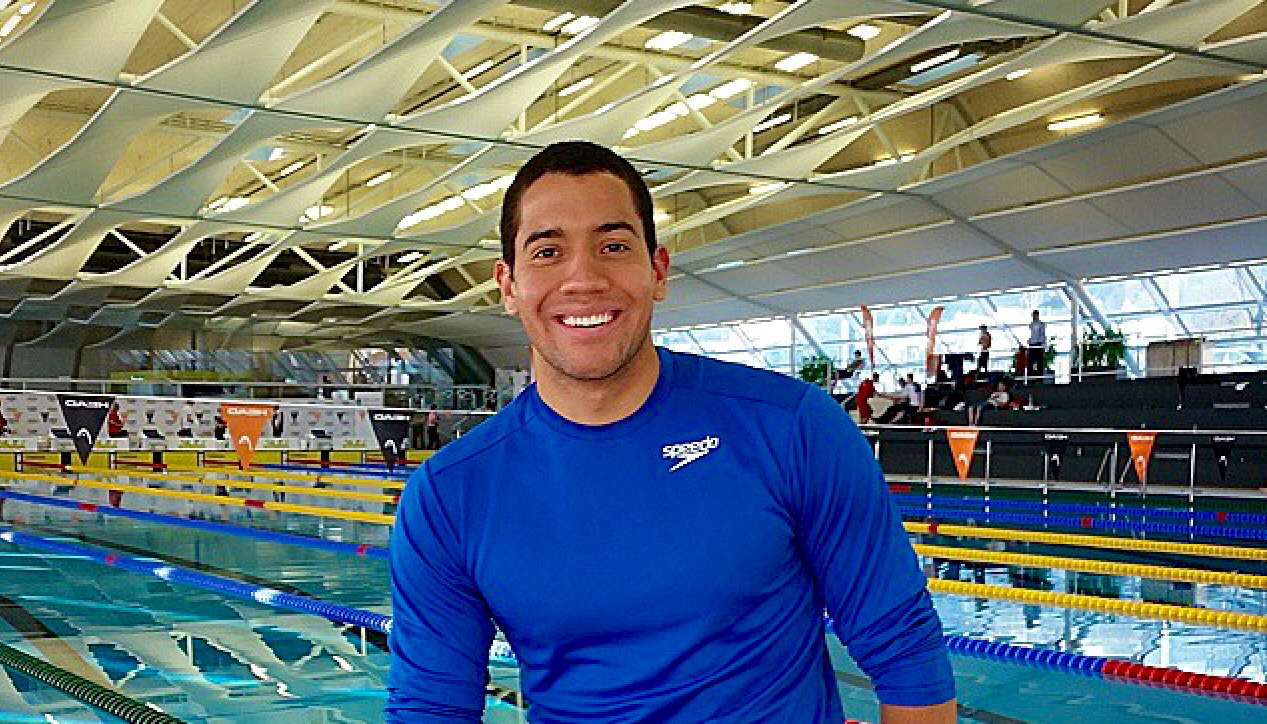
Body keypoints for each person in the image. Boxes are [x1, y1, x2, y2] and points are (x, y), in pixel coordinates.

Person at [387, 141, 955, 723]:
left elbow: (905, 650)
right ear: (508, 286)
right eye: (548, 251)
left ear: (657, 271)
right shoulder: (449, 496)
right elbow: (430, 708)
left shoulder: (791, 428)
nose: (583, 278)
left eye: (613, 246)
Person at [1027, 310, 1047, 379]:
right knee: (1031, 360)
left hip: (1038, 343)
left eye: (1035, 315)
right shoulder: (1031, 324)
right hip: (1032, 343)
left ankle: (1039, 376)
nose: (1034, 317)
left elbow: (1042, 334)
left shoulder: (1041, 324)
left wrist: (1043, 344)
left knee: (1039, 360)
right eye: (1033, 316)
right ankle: (1031, 375)